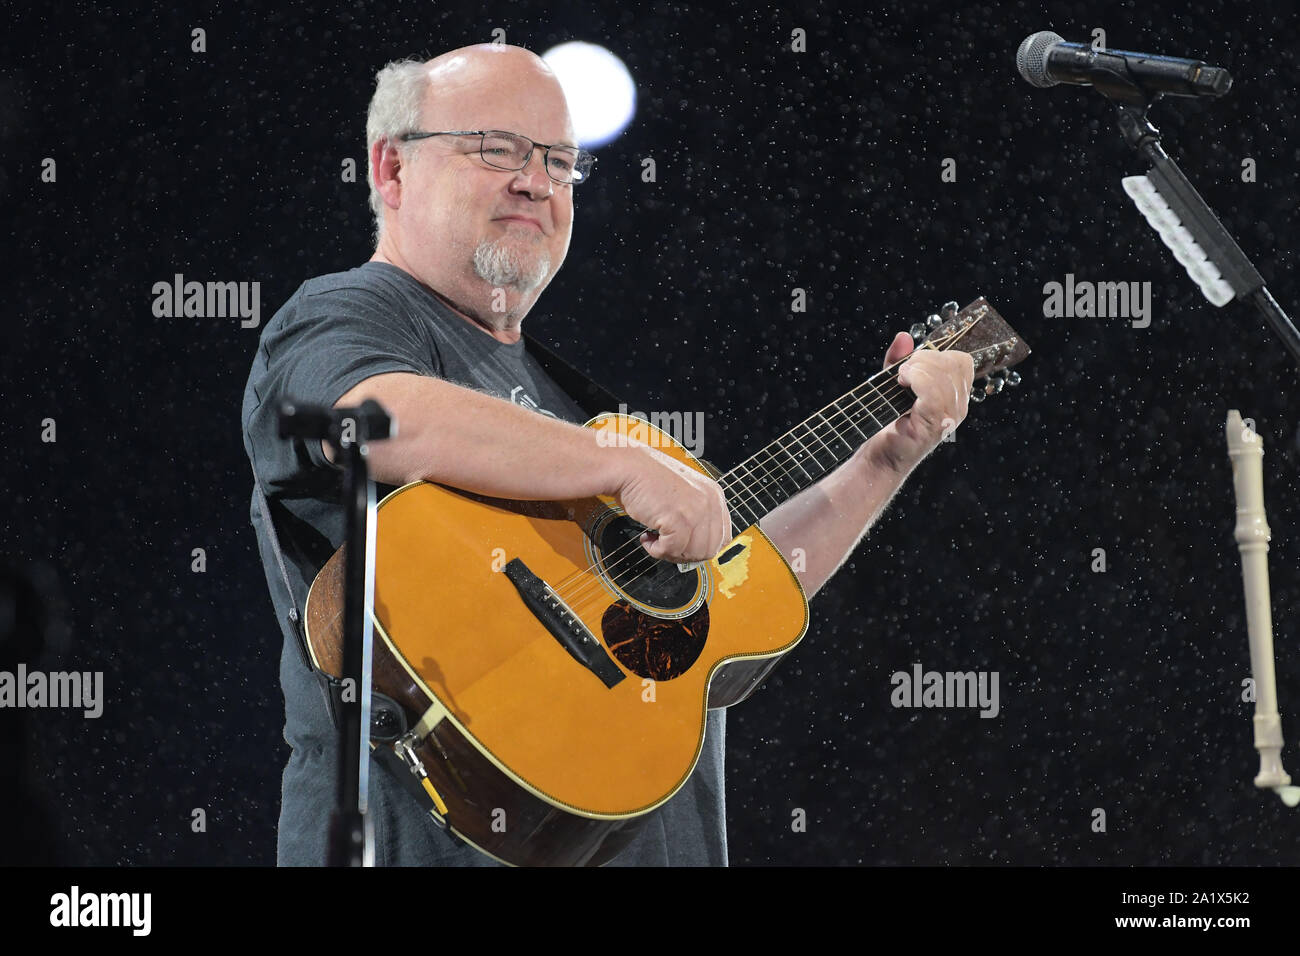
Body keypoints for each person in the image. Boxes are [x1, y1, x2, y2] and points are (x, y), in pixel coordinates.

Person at [240, 43, 974, 867]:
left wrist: (888, 454)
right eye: (498, 149)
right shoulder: (348, 313)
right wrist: (621, 468)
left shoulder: (581, 418)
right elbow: (370, 417)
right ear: (392, 169)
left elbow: (744, 590)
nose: (537, 182)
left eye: (559, 161)